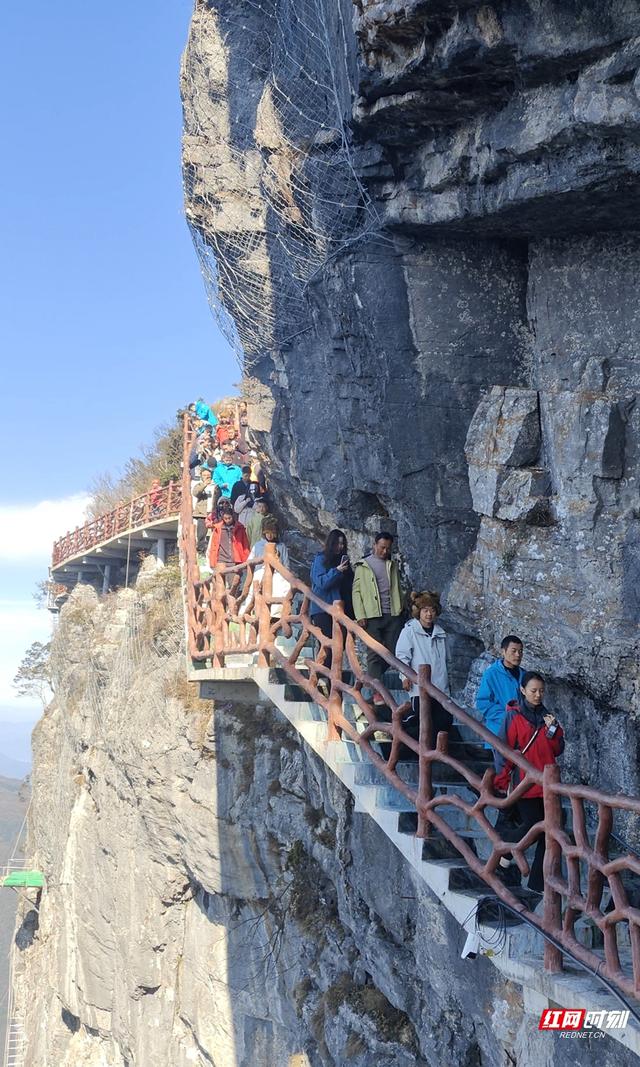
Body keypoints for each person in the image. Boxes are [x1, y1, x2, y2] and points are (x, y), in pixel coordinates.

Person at [493, 671, 564, 894]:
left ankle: (538, 884)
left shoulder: (548, 718)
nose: (537, 695)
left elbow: (558, 749)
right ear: (523, 690)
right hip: (523, 783)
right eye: (533, 691)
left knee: (551, 831)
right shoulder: (513, 716)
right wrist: (502, 780)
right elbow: (503, 749)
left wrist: (553, 731)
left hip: (546, 785)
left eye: (541, 691)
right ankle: (503, 850)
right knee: (534, 826)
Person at [352, 532, 403, 704]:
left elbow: (397, 588)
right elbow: (356, 592)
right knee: (374, 653)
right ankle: (377, 694)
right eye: (382, 547)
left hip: (393, 613)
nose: (384, 551)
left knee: (392, 653)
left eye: (388, 548)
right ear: (374, 545)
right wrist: (360, 615)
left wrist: (401, 606)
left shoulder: (392, 564)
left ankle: (372, 681)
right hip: (372, 615)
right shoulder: (363, 565)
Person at [395, 591, 453, 745]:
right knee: (422, 720)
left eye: (432, 610)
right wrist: (404, 676)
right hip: (420, 686)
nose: (429, 614)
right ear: (418, 612)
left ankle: (435, 753)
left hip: (440, 685)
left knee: (444, 720)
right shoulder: (409, 631)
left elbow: (448, 660)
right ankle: (405, 743)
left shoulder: (440, 633)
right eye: (425, 610)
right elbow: (402, 655)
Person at [310, 530, 354, 686]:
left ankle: (330, 680)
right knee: (327, 645)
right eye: (337, 543)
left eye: (342, 544)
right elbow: (321, 582)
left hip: (340, 610)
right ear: (330, 543)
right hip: (323, 609)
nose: (339, 547)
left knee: (339, 646)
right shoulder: (320, 559)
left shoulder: (342, 562)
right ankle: (321, 679)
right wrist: (337, 571)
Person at [476, 635, 526, 768]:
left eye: (520, 651)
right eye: (513, 651)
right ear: (503, 652)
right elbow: (483, 703)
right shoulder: (491, 673)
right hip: (499, 731)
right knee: (502, 772)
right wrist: (508, 717)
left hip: (521, 732)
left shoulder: (524, 674)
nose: (518, 655)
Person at [240, 517, 290, 619]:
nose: (270, 535)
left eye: (272, 532)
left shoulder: (281, 546)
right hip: (260, 572)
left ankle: (275, 615)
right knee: (254, 592)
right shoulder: (258, 545)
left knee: (280, 590)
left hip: (277, 575)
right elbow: (250, 561)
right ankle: (246, 612)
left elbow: (286, 564)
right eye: (267, 532)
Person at [207, 503, 249, 588]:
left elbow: (245, 545)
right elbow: (214, 546)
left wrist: (245, 560)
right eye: (225, 518)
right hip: (221, 559)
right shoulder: (218, 529)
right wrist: (212, 561)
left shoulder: (240, 528)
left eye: (229, 518)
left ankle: (233, 600)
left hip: (234, 560)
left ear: (233, 517)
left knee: (233, 585)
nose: (227, 520)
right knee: (219, 585)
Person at [192, 468, 218, 552]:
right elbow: (195, 493)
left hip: (213, 513)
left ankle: (213, 552)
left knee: (215, 534)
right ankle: (200, 552)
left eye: (208, 475)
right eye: (204, 475)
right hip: (202, 513)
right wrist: (204, 485)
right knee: (201, 535)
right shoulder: (199, 485)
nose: (207, 477)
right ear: (201, 476)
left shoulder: (215, 485)